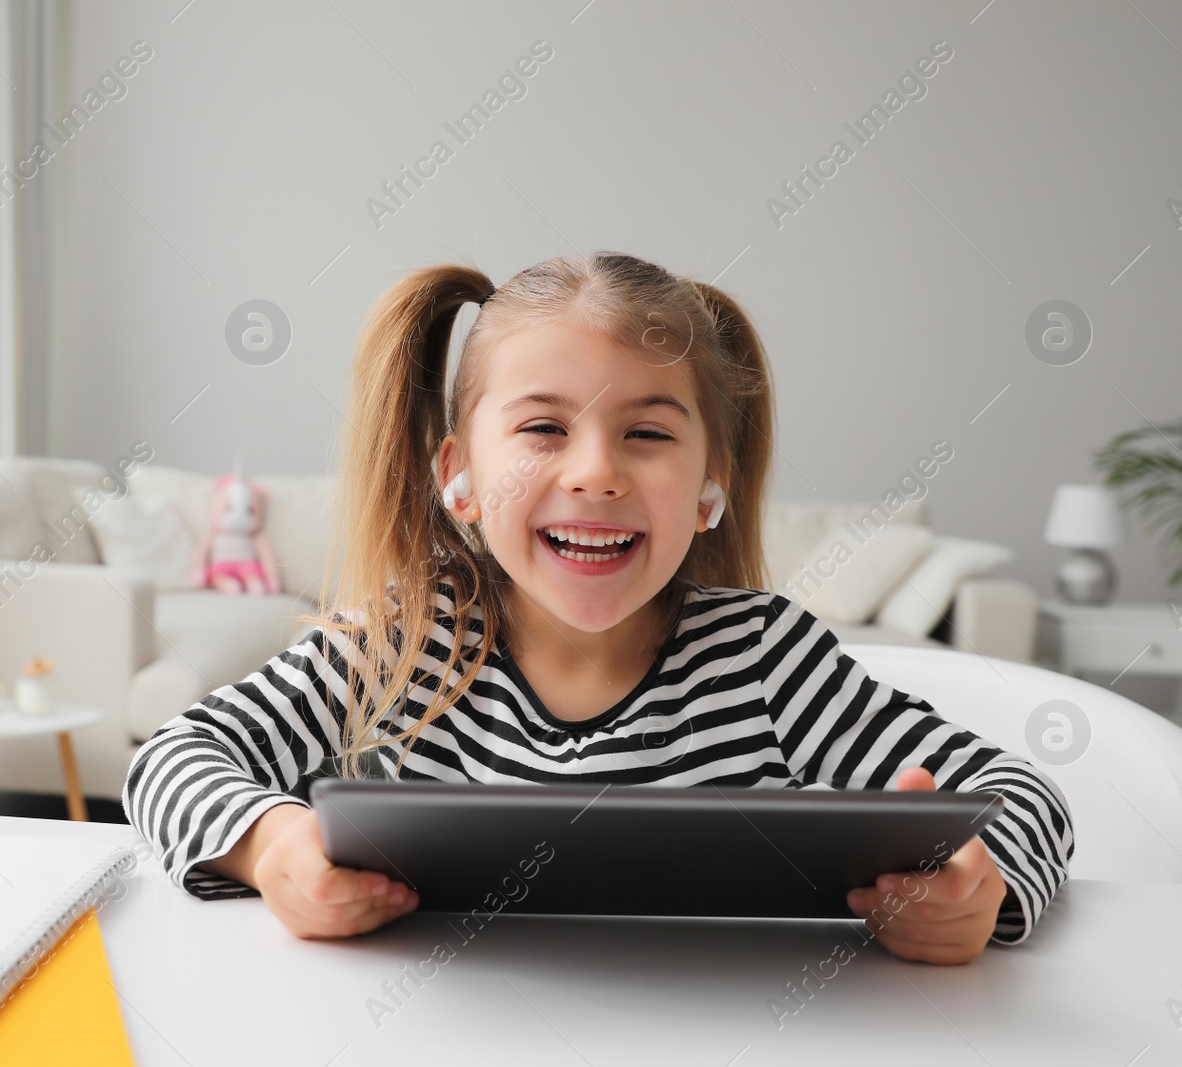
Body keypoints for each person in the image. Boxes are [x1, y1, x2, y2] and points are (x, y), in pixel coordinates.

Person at [122, 251, 1073, 965]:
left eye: (648, 433)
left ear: (711, 483)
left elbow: (1029, 798)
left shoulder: (766, 661)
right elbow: (169, 756)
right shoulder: (401, 647)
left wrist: (975, 888)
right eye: (542, 427)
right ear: (459, 473)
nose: (596, 473)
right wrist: (272, 845)